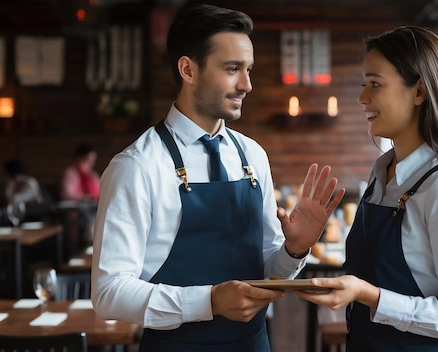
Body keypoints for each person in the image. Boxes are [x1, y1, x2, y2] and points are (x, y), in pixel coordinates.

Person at [90, 3, 345, 351]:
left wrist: (294, 249)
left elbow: (270, 275)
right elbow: (109, 293)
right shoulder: (137, 166)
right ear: (188, 70)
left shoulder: (254, 156)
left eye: (249, 69)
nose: (247, 84)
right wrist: (209, 301)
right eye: (232, 69)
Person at [295, 26, 438, 352]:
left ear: (419, 92)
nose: (362, 98)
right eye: (363, 84)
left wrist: (366, 294)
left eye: (375, 84)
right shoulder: (381, 173)